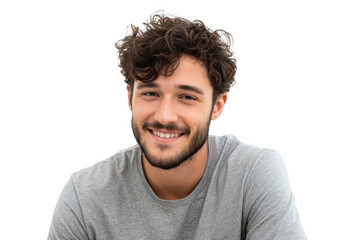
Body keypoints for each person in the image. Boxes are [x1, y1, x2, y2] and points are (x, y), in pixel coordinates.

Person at [48, 13, 306, 240]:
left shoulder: (254, 175)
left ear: (217, 105)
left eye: (187, 97)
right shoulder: (84, 197)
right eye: (150, 93)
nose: (166, 115)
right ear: (130, 98)